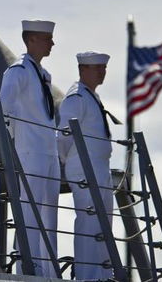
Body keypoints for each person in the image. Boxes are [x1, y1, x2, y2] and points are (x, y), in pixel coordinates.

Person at [0, 20, 59, 277]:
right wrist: (18, 140)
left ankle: (48, 269)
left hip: (48, 150)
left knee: (50, 214)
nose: (52, 43)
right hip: (30, 150)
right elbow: (3, 108)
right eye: (47, 39)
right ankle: (27, 267)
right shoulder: (18, 71)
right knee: (29, 210)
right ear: (31, 40)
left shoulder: (42, 74)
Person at [58, 51, 119, 280]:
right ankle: (88, 274)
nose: (102, 72)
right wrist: (70, 162)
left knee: (104, 221)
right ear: (83, 70)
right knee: (88, 219)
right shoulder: (77, 98)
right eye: (97, 68)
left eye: (103, 68)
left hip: (99, 167)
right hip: (83, 166)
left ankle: (103, 273)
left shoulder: (91, 96)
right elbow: (64, 136)